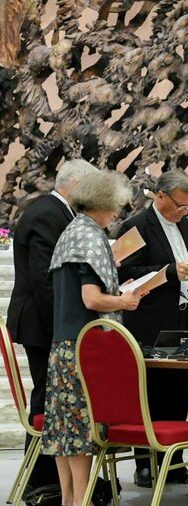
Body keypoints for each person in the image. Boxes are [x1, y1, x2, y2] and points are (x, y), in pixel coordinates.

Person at [41, 169, 141, 506]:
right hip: (83, 350)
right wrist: (124, 300)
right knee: (82, 432)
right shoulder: (91, 236)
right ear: (103, 203)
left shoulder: (70, 232)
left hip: (62, 346)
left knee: (63, 432)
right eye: (115, 208)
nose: (116, 214)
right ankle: (81, 501)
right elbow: (92, 299)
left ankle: (71, 500)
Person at [117, 169, 188, 488]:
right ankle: (146, 465)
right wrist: (169, 271)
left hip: (183, 320)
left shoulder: (186, 227)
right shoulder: (135, 226)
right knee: (149, 395)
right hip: (148, 324)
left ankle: (174, 464)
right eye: (179, 205)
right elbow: (123, 274)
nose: (184, 212)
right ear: (160, 196)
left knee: (177, 395)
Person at [6, 159, 97, 493]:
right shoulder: (47, 214)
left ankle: (56, 479)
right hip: (43, 323)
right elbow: (45, 280)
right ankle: (42, 482)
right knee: (49, 400)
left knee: (55, 400)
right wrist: (65, 326)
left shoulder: (60, 213)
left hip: (48, 321)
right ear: (75, 184)